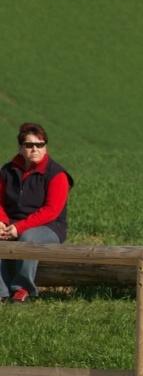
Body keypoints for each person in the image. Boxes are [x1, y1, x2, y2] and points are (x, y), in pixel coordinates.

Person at [0, 123, 74, 303]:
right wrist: (2, 222)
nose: (35, 149)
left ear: (45, 147)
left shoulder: (57, 174)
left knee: (29, 238)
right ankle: (1, 292)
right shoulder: (7, 171)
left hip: (49, 227)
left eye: (40, 144)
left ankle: (22, 289)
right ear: (20, 147)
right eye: (29, 145)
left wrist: (19, 228)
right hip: (12, 224)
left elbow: (51, 211)